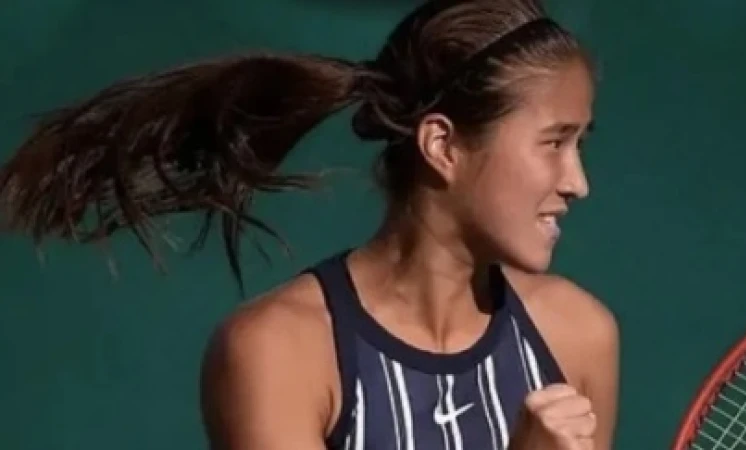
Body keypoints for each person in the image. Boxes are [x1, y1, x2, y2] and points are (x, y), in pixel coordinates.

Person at [0, 0, 619, 448]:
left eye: (581, 143)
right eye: (554, 142)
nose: (578, 181)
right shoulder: (277, 352)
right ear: (443, 146)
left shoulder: (579, 335)